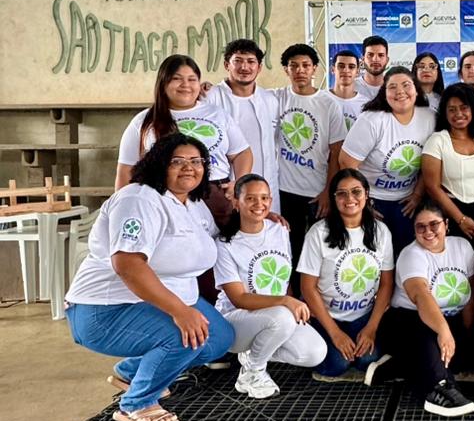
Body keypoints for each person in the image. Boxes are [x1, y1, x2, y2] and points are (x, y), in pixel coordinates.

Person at [65, 134, 234, 421]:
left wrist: (261, 218)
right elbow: (128, 265)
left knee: (219, 338)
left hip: (159, 300)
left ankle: (132, 372)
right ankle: (137, 403)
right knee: (186, 336)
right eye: (177, 161)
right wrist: (181, 312)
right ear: (158, 164)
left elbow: (217, 235)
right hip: (105, 308)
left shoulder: (192, 202)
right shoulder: (138, 199)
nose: (189, 167)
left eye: (196, 161)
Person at [214, 174, 327, 399]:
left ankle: (254, 355)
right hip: (236, 320)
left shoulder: (279, 230)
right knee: (281, 316)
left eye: (264, 198)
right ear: (236, 202)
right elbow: (238, 298)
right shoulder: (225, 244)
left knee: (315, 353)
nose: (259, 204)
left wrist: (289, 302)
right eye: (250, 198)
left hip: (277, 316)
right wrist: (286, 302)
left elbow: (283, 278)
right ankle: (253, 372)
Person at [116, 54, 252, 226]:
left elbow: (242, 153)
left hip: (214, 194)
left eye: (192, 79)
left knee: (222, 241)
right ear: (163, 83)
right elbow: (126, 169)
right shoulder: (144, 121)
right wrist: (123, 208)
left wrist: (239, 184)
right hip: (163, 195)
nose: (185, 85)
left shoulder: (217, 114)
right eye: (177, 79)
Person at [380, 199, 474, 417]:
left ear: (446, 224)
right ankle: (439, 387)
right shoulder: (411, 254)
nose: (428, 232)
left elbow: (472, 292)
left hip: (450, 319)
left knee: (466, 355)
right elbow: (421, 296)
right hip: (408, 320)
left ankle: (400, 364)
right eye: (420, 227)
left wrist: (465, 334)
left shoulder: (462, 246)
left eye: (434, 224)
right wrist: (443, 331)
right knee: (430, 341)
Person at [299, 168, 394, 384]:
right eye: (341, 193)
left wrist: (371, 328)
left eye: (356, 192)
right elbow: (308, 287)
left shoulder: (381, 231)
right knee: (336, 364)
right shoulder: (318, 233)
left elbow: (386, 284)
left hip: (363, 316)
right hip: (326, 316)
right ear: (334, 198)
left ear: (366, 194)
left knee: (367, 359)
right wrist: (335, 333)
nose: (349, 199)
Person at [339, 66, 435, 253]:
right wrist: (363, 203)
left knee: (405, 254)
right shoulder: (372, 120)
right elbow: (346, 163)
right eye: (392, 87)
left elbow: (431, 163)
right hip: (374, 199)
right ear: (384, 93)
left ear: (416, 90)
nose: (400, 92)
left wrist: (417, 194)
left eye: (406, 85)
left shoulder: (429, 117)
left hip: (407, 202)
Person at [276, 42, 346, 290]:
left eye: (306, 65)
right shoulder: (276, 98)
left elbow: (336, 151)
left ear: (315, 68)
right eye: (293, 65)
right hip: (284, 190)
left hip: (317, 192)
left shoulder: (328, 103)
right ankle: (294, 299)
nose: (300, 70)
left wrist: (329, 190)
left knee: (319, 249)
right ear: (286, 70)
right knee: (290, 248)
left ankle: (318, 297)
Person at [203, 39, 281, 212]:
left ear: (259, 67)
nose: (244, 67)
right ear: (227, 65)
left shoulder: (269, 100)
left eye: (251, 62)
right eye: (238, 61)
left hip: (265, 185)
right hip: (226, 187)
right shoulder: (211, 97)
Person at [421, 83, 474, 255]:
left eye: (464, 108)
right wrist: (460, 219)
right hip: (449, 212)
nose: (458, 114)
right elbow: (432, 186)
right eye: (452, 109)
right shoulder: (437, 141)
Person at [327, 48, 365, 132]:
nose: (346, 70)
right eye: (341, 66)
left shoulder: (366, 105)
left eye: (351, 67)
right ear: (332, 69)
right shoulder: (320, 99)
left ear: (357, 72)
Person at [355, 35, 389, 101]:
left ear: (387, 60)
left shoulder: (394, 87)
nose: (375, 59)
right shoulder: (351, 87)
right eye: (370, 55)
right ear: (363, 59)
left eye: (381, 55)